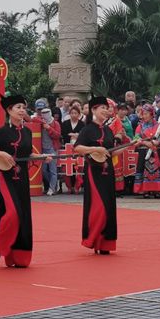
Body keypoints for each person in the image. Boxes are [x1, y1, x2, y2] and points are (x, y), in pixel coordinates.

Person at [0, 94, 51, 268]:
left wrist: (40, 157)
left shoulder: (27, 131)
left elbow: (26, 155)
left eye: (23, 107)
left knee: (23, 215)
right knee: (12, 213)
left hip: (22, 179)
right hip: (6, 178)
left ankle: (18, 255)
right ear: (9, 110)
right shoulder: (2, 131)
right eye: (18, 107)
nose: (22, 110)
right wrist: (1, 153)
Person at [74, 96, 117, 255]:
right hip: (94, 171)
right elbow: (77, 148)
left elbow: (111, 151)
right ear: (93, 110)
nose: (105, 111)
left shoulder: (108, 130)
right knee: (98, 206)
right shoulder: (87, 130)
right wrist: (95, 150)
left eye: (107, 108)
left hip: (108, 170)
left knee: (109, 206)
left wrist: (132, 144)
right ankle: (93, 239)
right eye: (102, 108)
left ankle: (105, 243)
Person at [133, 104, 160, 198]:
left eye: (146, 113)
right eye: (143, 114)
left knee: (157, 171)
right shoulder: (140, 127)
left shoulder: (158, 126)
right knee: (145, 171)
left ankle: (158, 190)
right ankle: (145, 190)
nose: (144, 116)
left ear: (151, 114)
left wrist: (157, 142)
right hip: (144, 152)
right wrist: (146, 143)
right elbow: (136, 138)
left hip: (156, 151)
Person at [60, 106, 85, 194]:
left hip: (78, 148)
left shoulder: (82, 124)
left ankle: (77, 186)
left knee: (79, 167)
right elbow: (63, 134)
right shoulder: (65, 123)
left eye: (76, 113)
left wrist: (77, 136)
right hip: (68, 148)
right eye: (72, 113)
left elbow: (83, 135)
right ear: (69, 114)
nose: (74, 115)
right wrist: (71, 135)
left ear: (79, 114)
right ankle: (69, 187)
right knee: (67, 168)